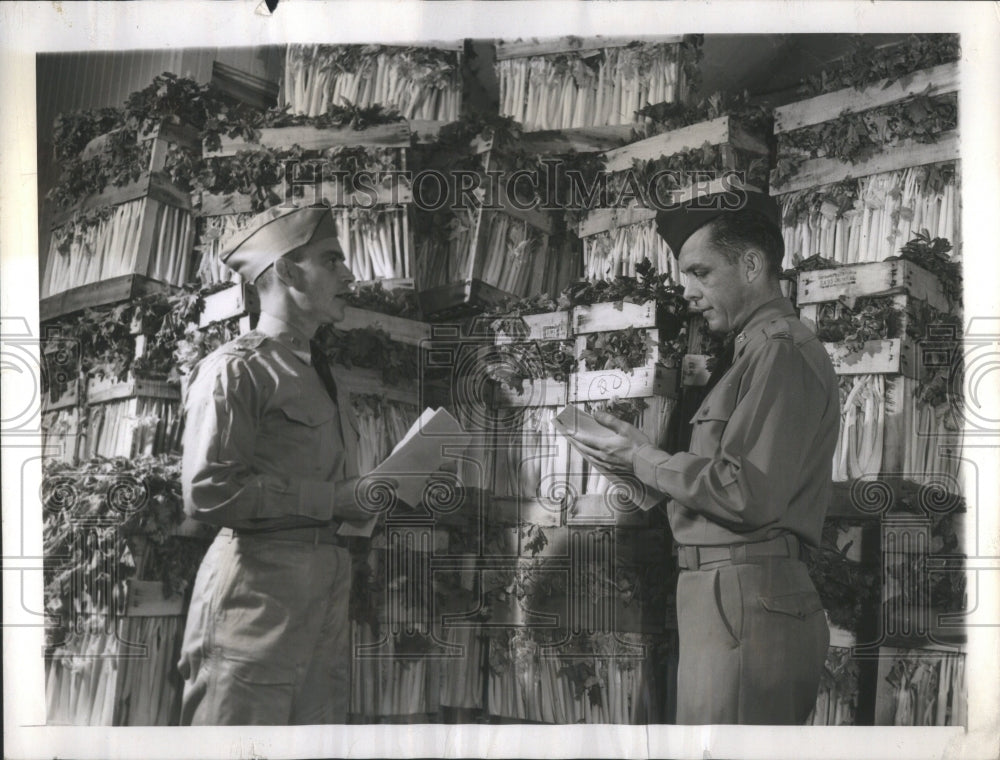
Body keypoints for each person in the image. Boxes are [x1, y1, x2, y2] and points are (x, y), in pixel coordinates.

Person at [556, 188, 839, 725]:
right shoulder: (753, 354)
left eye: (701, 273)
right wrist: (637, 457)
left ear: (752, 264)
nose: (688, 291)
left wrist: (646, 461)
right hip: (729, 600)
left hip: (744, 601)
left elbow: (744, 493)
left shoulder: (780, 350)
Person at [177, 205, 374, 725]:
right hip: (254, 599)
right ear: (286, 271)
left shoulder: (321, 376)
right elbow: (208, 491)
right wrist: (333, 499)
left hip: (324, 594)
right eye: (331, 260)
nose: (348, 274)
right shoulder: (236, 369)